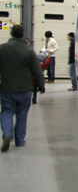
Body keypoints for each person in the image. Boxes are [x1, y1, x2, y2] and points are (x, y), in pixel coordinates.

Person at [0, 24, 46, 152]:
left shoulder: (2, 49)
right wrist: (41, 86)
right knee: (22, 115)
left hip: (6, 88)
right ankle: (20, 141)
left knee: (6, 112)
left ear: (11, 34)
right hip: (25, 89)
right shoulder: (29, 50)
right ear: (22, 35)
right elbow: (37, 71)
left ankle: (7, 134)